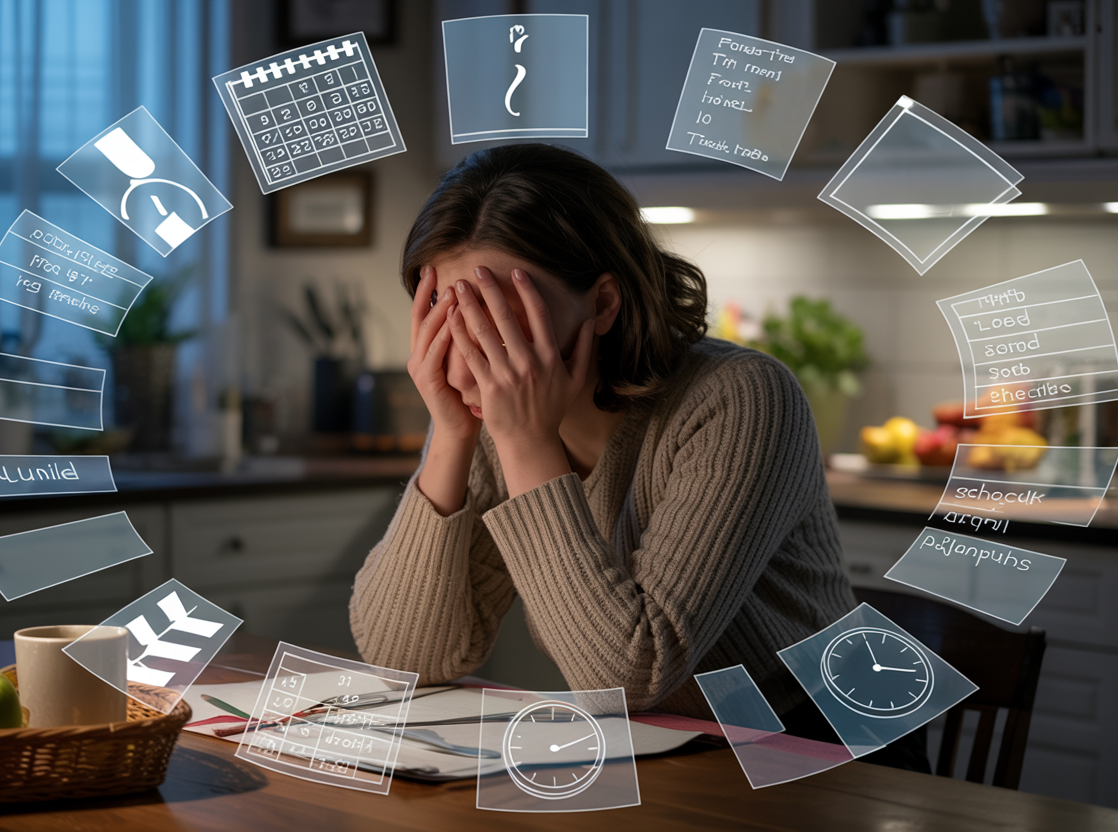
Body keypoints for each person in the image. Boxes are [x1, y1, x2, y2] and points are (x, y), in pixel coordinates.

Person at [349, 143, 926, 771]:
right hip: (662, 754)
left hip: (819, 755)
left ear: (602, 304)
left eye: (507, 318)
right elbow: (402, 658)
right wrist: (452, 436)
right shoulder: (489, 419)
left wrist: (524, 442)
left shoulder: (742, 397)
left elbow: (632, 674)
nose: (483, 352)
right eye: (450, 312)